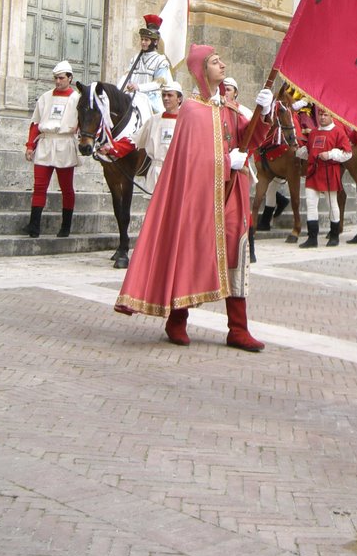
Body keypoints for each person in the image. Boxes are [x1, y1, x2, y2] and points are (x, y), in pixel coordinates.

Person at [114, 44, 273, 351]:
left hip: (231, 196)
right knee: (190, 252)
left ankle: (238, 329)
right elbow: (192, 159)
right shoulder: (191, 110)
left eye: (222, 61)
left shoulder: (229, 108)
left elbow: (250, 138)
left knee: (235, 255)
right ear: (202, 71)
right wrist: (228, 162)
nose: (222, 66)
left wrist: (263, 114)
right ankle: (177, 319)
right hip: (200, 198)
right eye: (215, 62)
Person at [23, 60, 80, 238]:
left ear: (70, 78)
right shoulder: (45, 97)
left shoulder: (77, 99)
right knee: (39, 185)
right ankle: (34, 226)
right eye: (55, 78)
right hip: (46, 142)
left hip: (64, 143)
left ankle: (65, 227)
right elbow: (35, 123)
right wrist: (30, 145)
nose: (57, 81)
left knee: (66, 187)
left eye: (61, 78)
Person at [295, 105, 352, 248]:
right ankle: (312, 238)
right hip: (313, 172)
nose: (322, 117)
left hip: (329, 171)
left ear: (331, 116)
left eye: (325, 115)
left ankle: (334, 236)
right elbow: (309, 151)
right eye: (320, 115)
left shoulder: (338, 132)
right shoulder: (313, 133)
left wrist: (331, 154)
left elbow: (348, 153)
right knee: (311, 204)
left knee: (332, 203)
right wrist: (297, 151)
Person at [118, 14, 172, 114]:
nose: (143, 42)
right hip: (133, 96)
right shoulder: (135, 58)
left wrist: (139, 87)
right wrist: (117, 91)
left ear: (155, 42)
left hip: (151, 100)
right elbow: (125, 77)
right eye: (142, 39)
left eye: (146, 40)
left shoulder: (161, 61)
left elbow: (158, 83)